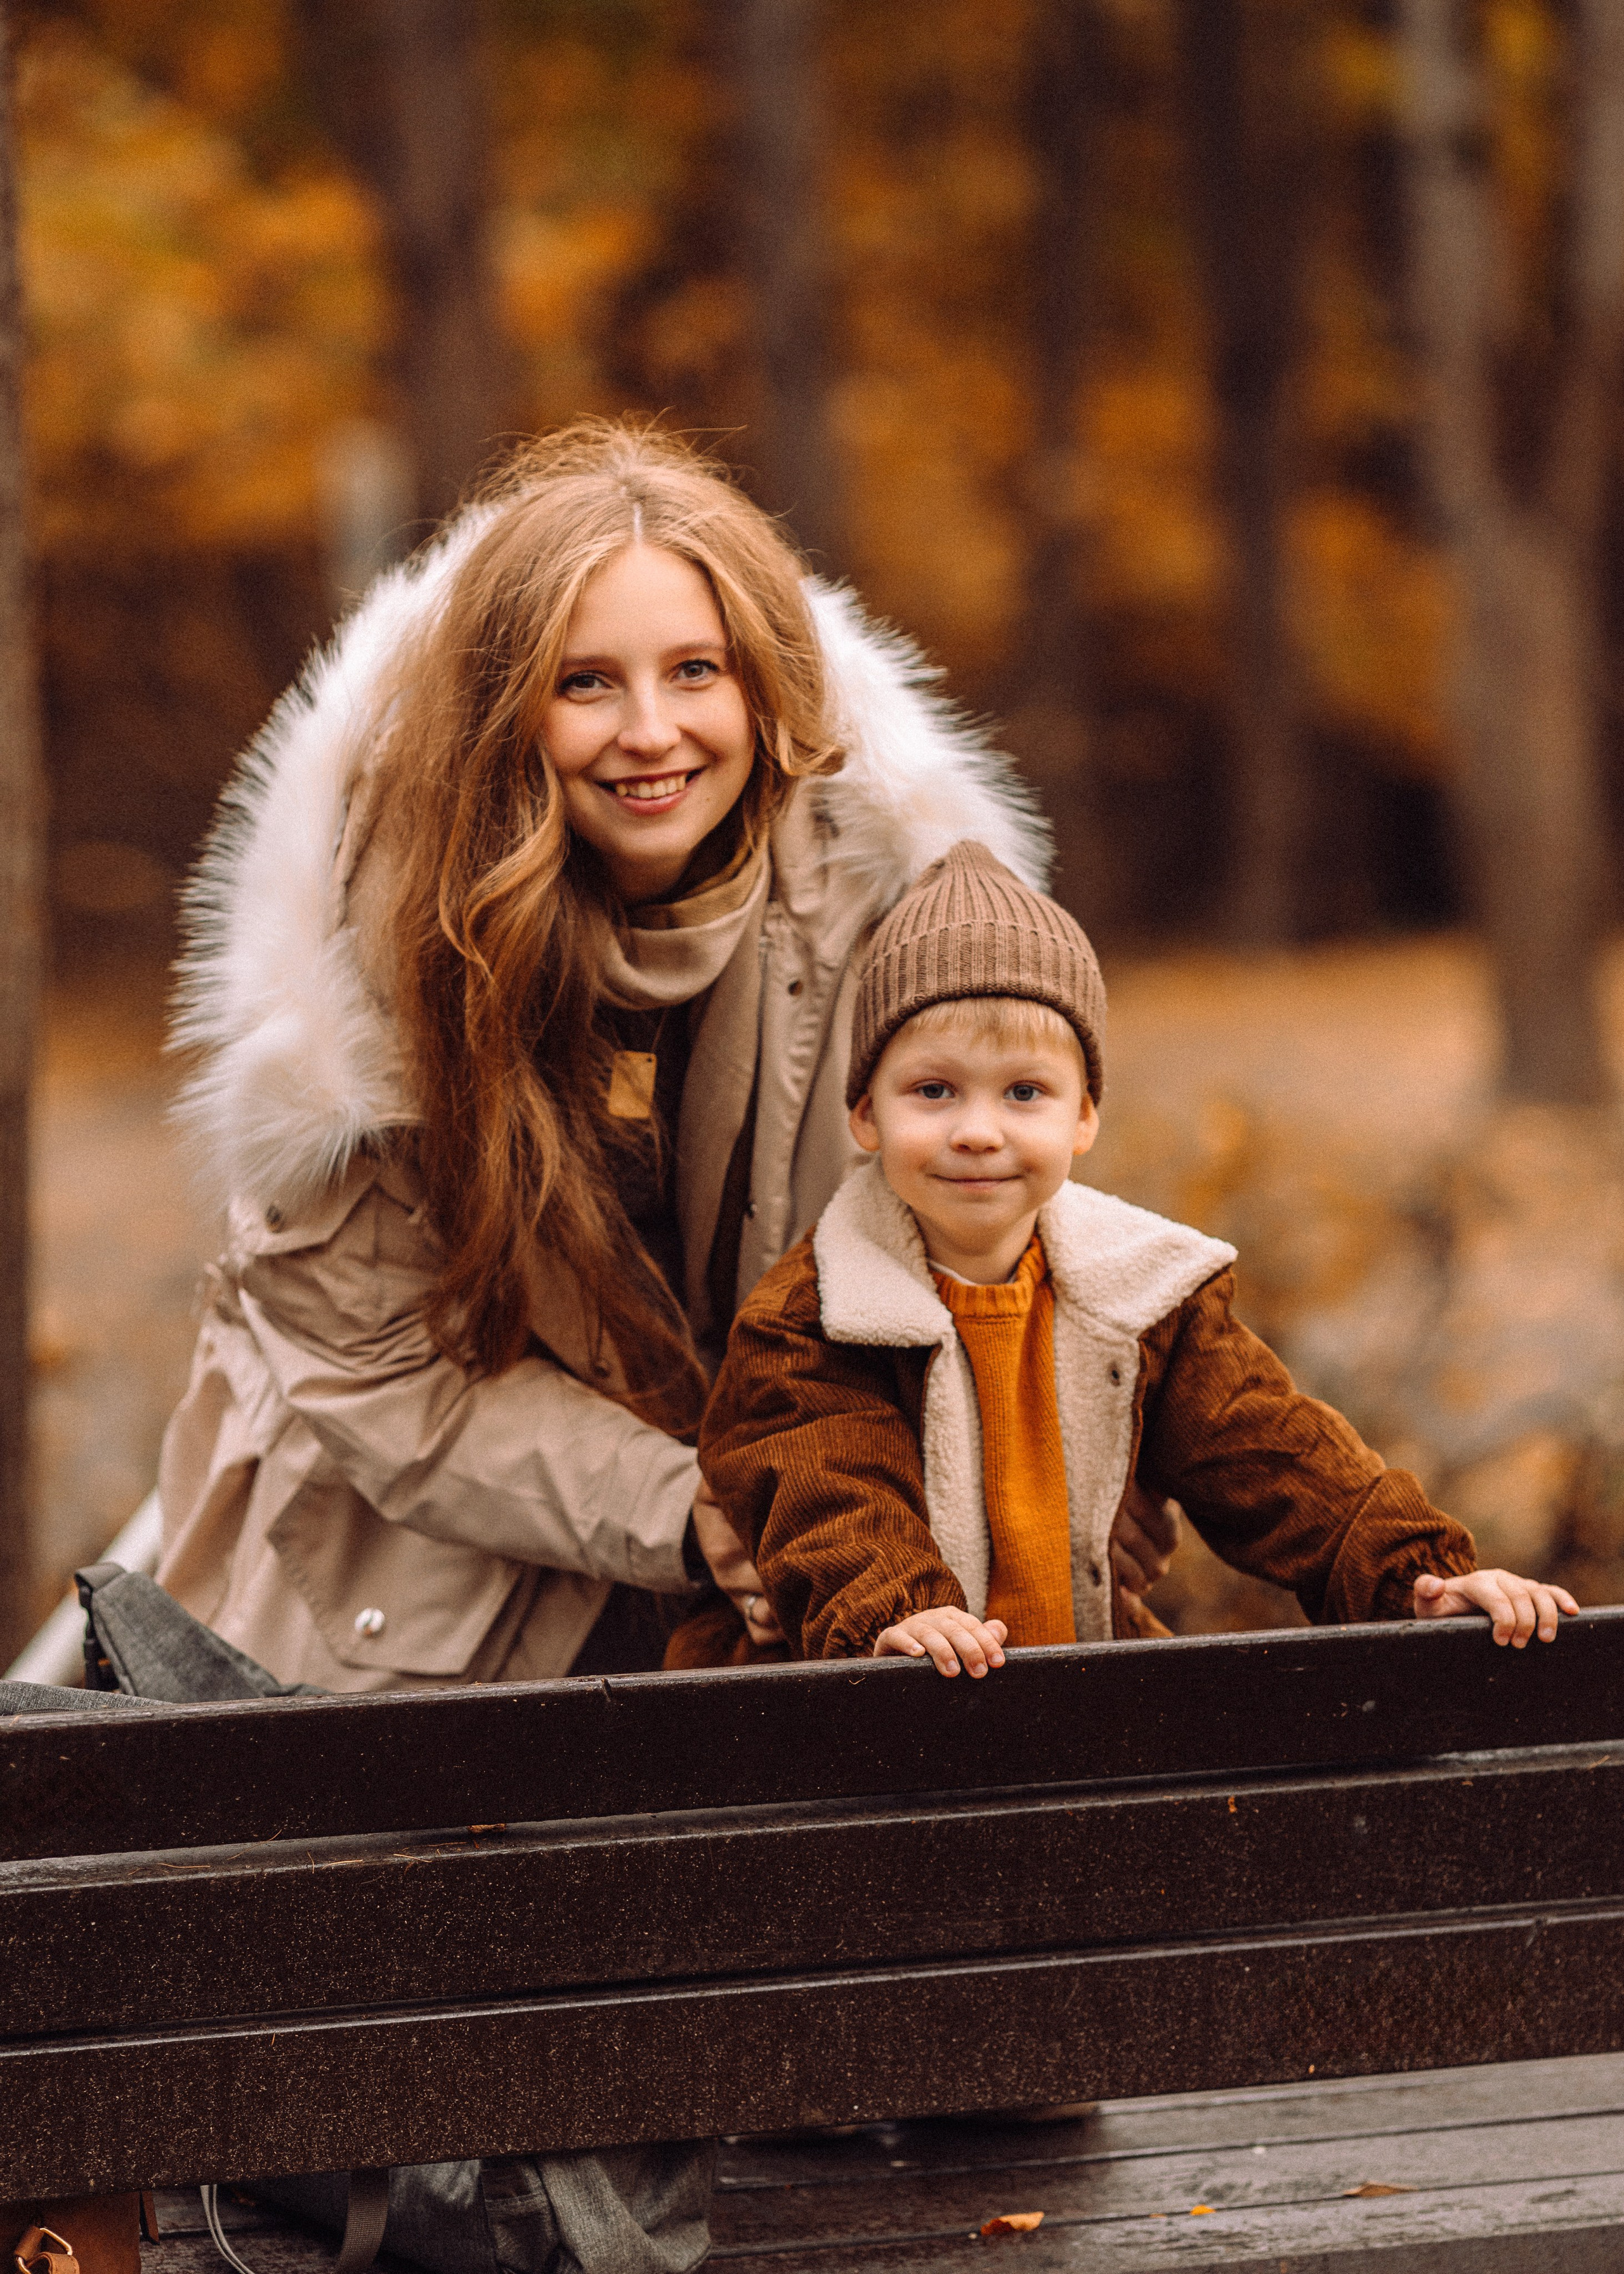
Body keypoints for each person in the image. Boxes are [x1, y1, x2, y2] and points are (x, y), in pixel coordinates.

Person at [150, 426, 1177, 2271]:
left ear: (764, 684)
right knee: (420, 2106)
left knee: (938, 2081)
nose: (653, 730)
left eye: (695, 670)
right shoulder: (362, 966)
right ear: (501, 714)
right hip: (419, 1579)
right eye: (588, 682)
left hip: (766, 1570)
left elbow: (974, 1245)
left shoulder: (879, 897)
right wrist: (705, 1509)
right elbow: (383, 1385)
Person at [699, 839, 1578, 1674]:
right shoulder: (814, 1320)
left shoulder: (1145, 1293)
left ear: (1083, 1116)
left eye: (1024, 1093)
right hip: (896, 1725)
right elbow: (829, 1493)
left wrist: (1414, 1578)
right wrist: (892, 1615)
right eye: (933, 1091)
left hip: (1091, 1698)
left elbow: (1279, 1459)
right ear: (865, 1114)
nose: (977, 1131)